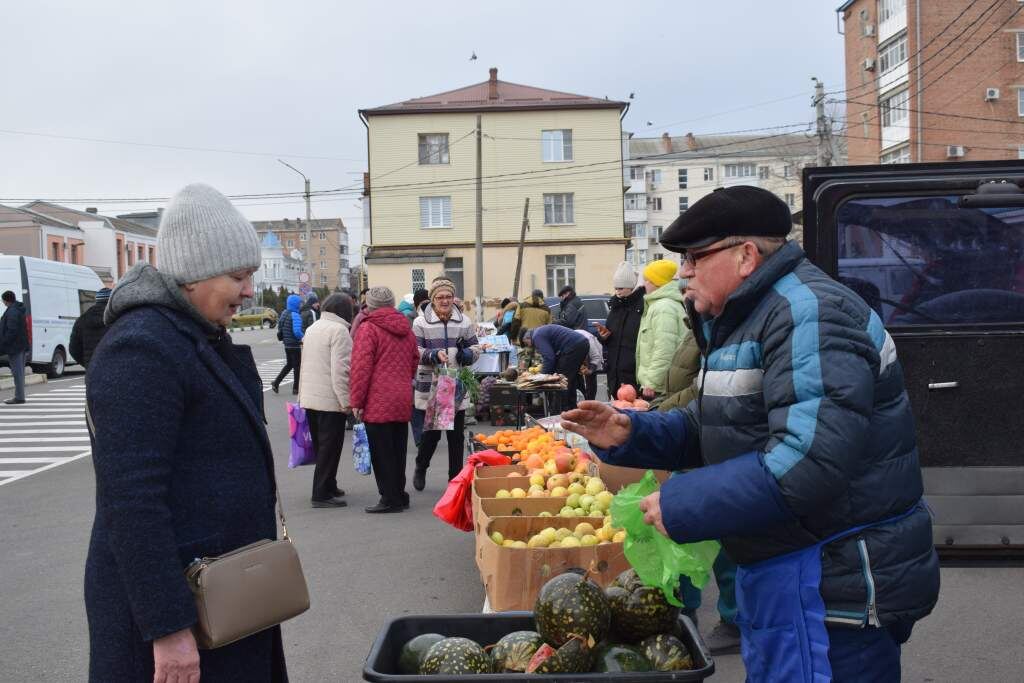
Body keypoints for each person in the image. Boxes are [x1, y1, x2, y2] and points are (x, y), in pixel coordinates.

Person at [562, 185, 939, 682]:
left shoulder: (808, 315)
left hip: (828, 584)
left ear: (745, 256)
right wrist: (629, 430)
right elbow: (715, 424)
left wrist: (683, 502)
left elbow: (809, 461)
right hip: (788, 573)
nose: (683, 273)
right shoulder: (746, 318)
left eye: (696, 257)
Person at [84, 183, 288, 682]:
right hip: (182, 608)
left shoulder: (192, 335)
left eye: (251, 276)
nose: (248, 291)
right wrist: (168, 627)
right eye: (238, 277)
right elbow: (131, 501)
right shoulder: (142, 349)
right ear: (192, 276)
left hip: (223, 596)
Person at [349, 287, 420, 512]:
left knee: (381, 451)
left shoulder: (368, 328)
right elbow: (414, 359)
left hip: (377, 398)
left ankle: (389, 499)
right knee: (398, 448)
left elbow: (361, 368)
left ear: (370, 304)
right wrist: (402, 379)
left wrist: (356, 402)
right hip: (402, 395)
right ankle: (399, 493)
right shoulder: (406, 328)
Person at [412, 277, 481, 491]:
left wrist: (466, 354)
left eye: (448, 296)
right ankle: (421, 466)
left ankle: (455, 481)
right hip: (434, 383)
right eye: (440, 297)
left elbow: (476, 349)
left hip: (457, 382)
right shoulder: (421, 322)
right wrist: (432, 354)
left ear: (454, 298)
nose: (445, 301)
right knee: (431, 434)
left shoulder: (465, 322)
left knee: (456, 436)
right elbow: (415, 352)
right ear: (432, 299)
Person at [298, 293, 354, 509]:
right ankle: (320, 493)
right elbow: (341, 371)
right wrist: (346, 401)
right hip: (329, 399)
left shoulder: (313, 328)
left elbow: (305, 365)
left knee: (322, 446)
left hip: (311, 397)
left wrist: (301, 396)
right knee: (330, 447)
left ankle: (329, 484)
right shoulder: (339, 331)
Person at [635, 259, 688, 400]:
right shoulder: (662, 305)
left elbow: (665, 349)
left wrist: (652, 382)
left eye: (646, 280)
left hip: (660, 387)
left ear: (656, 282)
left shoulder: (663, 308)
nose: (643, 284)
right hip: (663, 382)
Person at [597, 262, 644, 399]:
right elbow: (611, 336)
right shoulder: (615, 307)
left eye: (621, 288)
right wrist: (604, 336)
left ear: (631, 286)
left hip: (633, 369)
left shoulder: (642, 305)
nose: (617, 292)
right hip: (614, 369)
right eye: (615, 288)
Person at [522, 324, 590, 411]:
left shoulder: (536, 336)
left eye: (526, 343)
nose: (528, 346)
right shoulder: (540, 332)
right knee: (569, 380)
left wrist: (541, 378)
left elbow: (549, 358)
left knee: (561, 380)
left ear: (527, 338)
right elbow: (553, 356)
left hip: (573, 346)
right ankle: (572, 408)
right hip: (581, 343)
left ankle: (562, 411)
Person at [271, 293, 306, 394]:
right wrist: (304, 338)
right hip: (295, 345)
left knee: (290, 364)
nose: (300, 305)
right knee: (297, 367)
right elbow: (297, 331)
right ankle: (296, 388)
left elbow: (280, 327)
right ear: (295, 304)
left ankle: (276, 382)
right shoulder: (295, 315)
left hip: (287, 344)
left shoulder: (284, 313)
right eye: (299, 303)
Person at [70, 287, 112, 371]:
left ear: (97, 301)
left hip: (92, 371)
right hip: (113, 369)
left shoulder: (82, 319)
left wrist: (88, 364)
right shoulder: (117, 317)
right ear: (111, 301)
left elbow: (73, 349)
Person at [1, 290, 30, 404]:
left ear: (6, 300)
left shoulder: (12, 311)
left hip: (15, 347)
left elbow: (11, 330)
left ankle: (19, 397)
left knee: (17, 373)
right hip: (21, 345)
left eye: (2, 300)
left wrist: (4, 343)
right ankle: (20, 395)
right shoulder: (17, 309)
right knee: (20, 372)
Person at [573, 327, 603, 401]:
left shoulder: (589, 341)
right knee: (576, 377)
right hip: (577, 349)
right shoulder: (570, 342)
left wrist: (590, 370)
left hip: (593, 354)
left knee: (591, 377)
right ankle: (581, 398)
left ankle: (590, 400)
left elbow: (596, 357)